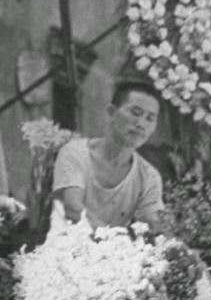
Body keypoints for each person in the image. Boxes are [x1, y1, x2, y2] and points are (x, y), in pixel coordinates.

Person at [51, 78, 165, 232]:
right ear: (111, 112)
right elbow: (73, 209)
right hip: (65, 247)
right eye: (135, 112)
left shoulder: (149, 176)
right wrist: (117, 241)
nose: (141, 124)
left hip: (115, 252)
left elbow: (152, 225)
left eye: (150, 118)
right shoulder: (74, 153)